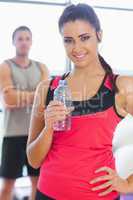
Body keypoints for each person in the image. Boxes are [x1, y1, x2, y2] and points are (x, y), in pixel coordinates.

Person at [27, 4, 133, 200]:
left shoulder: (123, 87)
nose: (76, 48)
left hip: (98, 196)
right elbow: (33, 160)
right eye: (68, 41)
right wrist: (49, 127)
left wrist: (128, 183)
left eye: (84, 38)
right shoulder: (47, 88)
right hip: (48, 193)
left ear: (99, 35)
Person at [0, 26, 49, 200]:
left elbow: (45, 98)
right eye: (20, 38)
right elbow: (9, 100)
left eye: (27, 38)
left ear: (31, 42)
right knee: (6, 187)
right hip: (13, 135)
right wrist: (36, 95)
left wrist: (19, 95)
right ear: (13, 42)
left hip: (36, 135)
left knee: (38, 185)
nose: (24, 42)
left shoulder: (41, 67)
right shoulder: (5, 66)